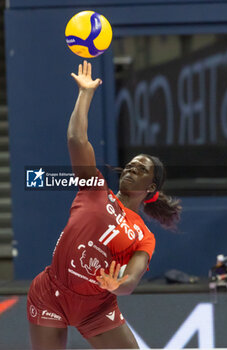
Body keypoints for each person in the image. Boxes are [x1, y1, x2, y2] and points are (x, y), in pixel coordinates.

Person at [27, 60, 181, 350]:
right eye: (131, 164)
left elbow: (133, 279)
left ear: (150, 187)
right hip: (51, 292)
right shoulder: (95, 187)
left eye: (141, 169)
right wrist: (85, 93)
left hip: (97, 306)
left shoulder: (143, 236)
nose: (132, 168)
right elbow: (76, 138)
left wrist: (118, 286)